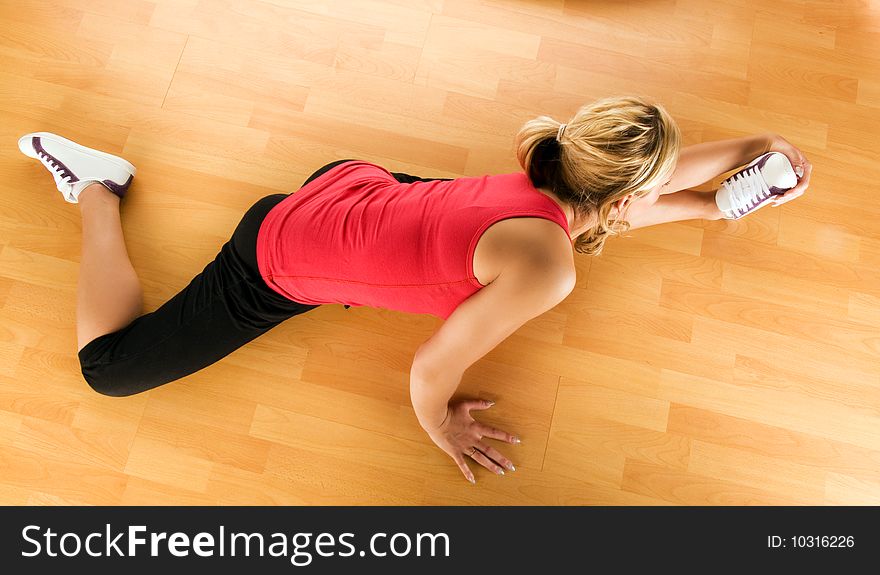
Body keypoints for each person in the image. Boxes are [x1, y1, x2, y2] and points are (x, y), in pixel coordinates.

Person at [18, 95, 812, 483]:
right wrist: (441, 427)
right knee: (110, 371)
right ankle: (98, 187)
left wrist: (757, 153)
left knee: (564, 219)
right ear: (617, 195)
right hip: (271, 257)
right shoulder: (548, 264)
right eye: (654, 190)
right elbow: (430, 371)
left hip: (345, 185)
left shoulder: (552, 161)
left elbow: (625, 198)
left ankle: (716, 206)